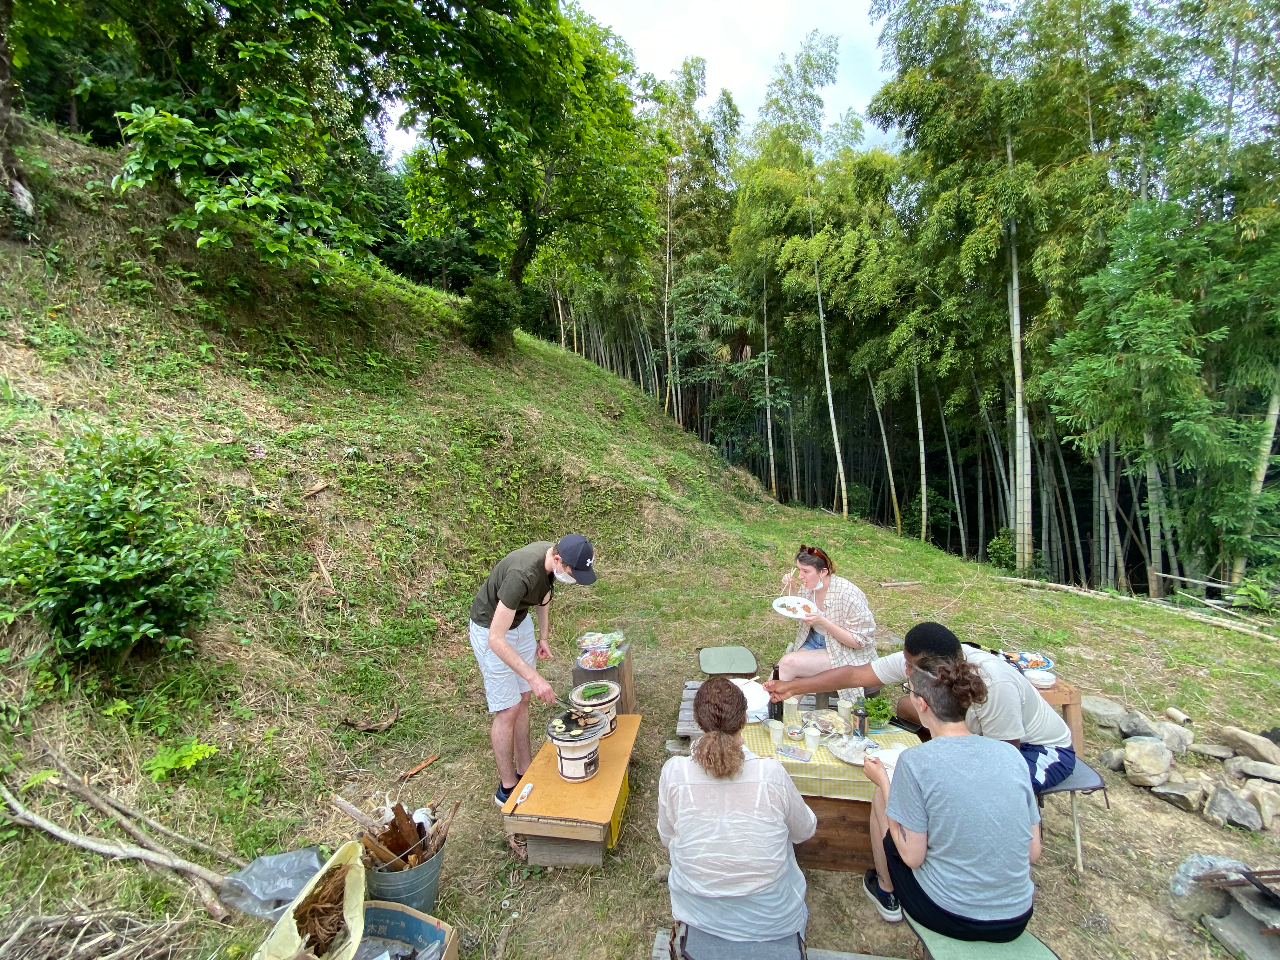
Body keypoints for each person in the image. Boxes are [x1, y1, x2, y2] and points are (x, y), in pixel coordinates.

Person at [764, 622, 1076, 790]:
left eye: (910, 667)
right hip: (972, 738)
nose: (905, 670)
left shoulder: (995, 685)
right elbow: (855, 674)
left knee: (987, 789)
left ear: (931, 667)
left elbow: (1005, 759)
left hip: (1037, 750)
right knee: (903, 705)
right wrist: (792, 686)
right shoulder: (930, 661)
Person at [861, 654, 1041, 942]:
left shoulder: (915, 760)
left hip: (948, 913)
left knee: (884, 800)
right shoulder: (1012, 756)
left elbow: (912, 856)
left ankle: (886, 891)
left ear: (921, 703)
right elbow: (1033, 851)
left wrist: (884, 782)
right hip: (1016, 916)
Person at [658, 676, 817, 946]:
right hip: (773, 920)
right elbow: (805, 830)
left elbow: (667, 837)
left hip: (697, 913)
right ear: (745, 721)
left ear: (697, 722)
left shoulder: (674, 772)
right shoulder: (771, 773)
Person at [469, 535, 597, 807]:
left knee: (524, 699)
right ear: (559, 560)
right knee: (508, 709)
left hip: (519, 623)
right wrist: (533, 676)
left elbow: (544, 596)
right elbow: (495, 638)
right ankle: (507, 788)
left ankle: (525, 769)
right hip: (490, 629)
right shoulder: (522, 573)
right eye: (575, 573)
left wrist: (544, 637)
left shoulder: (551, 562)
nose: (574, 579)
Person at [776, 544, 877, 700]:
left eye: (806, 571)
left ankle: (774, 713)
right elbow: (798, 610)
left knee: (788, 663)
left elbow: (859, 642)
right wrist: (792, 588)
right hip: (815, 641)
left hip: (845, 650)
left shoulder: (849, 595)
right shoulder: (810, 586)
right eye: (799, 570)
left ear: (823, 572)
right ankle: (778, 714)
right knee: (781, 674)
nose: (801, 576)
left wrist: (824, 622)